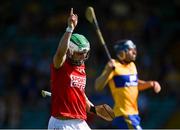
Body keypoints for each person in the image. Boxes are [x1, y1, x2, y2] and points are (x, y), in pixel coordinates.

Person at [95, 40, 161, 129]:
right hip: (123, 115)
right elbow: (97, 87)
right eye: (131, 49)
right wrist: (108, 71)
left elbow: (134, 84)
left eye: (135, 49)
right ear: (122, 52)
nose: (135, 52)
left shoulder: (132, 66)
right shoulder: (114, 66)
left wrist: (151, 84)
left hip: (134, 114)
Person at [48, 8, 93, 130]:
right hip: (62, 123)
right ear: (70, 51)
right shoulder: (60, 64)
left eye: (85, 53)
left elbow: (80, 94)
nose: (83, 56)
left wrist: (94, 109)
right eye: (79, 53)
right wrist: (70, 29)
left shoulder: (81, 67)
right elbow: (60, 53)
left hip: (80, 122)